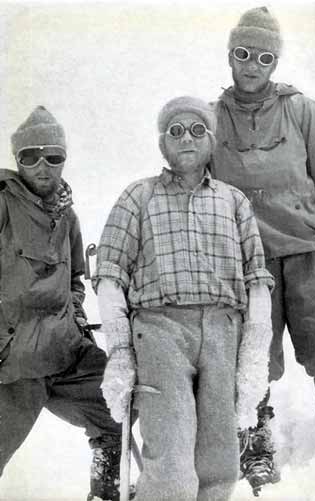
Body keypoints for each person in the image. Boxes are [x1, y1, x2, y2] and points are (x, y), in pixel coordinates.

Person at [93, 96, 275, 501]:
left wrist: (254, 356)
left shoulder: (233, 201)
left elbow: (256, 280)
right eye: (175, 131)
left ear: (210, 141)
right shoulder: (137, 198)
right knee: (171, 461)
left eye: (197, 130)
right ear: (162, 144)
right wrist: (120, 352)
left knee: (220, 461)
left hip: (224, 330)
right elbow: (109, 277)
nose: (186, 138)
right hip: (159, 331)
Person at [212, 5, 315, 494]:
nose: (252, 65)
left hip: (311, 247)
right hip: (250, 259)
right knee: (253, 355)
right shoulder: (210, 119)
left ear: (275, 63)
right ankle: (255, 439)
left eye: (264, 57)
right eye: (243, 54)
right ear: (230, 55)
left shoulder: (302, 110)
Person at [0, 106, 124, 501]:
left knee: (122, 404)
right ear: (16, 160)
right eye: (29, 156)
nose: (41, 165)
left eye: (52, 156)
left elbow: (73, 279)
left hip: (67, 353)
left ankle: (107, 488)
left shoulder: (67, 215)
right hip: (15, 366)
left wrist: (75, 313)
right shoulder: (3, 204)